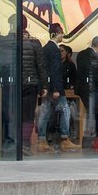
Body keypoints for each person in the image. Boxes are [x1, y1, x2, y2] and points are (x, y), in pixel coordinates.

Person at [0, 15, 45, 155]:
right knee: (28, 116)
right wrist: (44, 86)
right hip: (30, 83)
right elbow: (41, 65)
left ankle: (11, 142)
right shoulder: (35, 43)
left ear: (12, 25)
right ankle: (24, 145)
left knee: (10, 113)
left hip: (11, 83)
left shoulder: (5, 41)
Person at [35, 24, 74, 153]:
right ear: (57, 33)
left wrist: (46, 86)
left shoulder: (45, 48)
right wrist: (56, 88)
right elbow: (54, 70)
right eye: (61, 33)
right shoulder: (54, 49)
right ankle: (64, 139)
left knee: (45, 112)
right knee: (65, 110)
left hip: (48, 86)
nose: (62, 35)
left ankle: (41, 140)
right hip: (55, 87)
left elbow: (44, 70)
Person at [76, 37, 98, 148]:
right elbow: (95, 75)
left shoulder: (81, 54)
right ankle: (91, 138)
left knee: (86, 113)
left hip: (81, 88)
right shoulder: (94, 56)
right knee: (92, 114)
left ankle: (85, 138)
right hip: (90, 89)